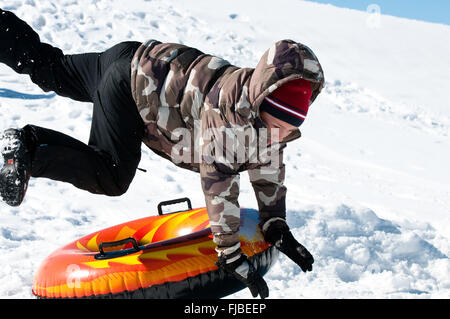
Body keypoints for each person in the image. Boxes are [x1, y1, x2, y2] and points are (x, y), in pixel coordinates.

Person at [0, 9, 324, 299]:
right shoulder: (230, 115)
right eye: (277, 123)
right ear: (262, 100)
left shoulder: (259, 109)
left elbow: (268, 165)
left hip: (133, 57)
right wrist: (229, 253)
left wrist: (276, 224)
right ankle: (30, 148)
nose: (280, 134)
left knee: (51, 68)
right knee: (111, 175)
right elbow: (219, 182)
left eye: (289, 127)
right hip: (130, 88)